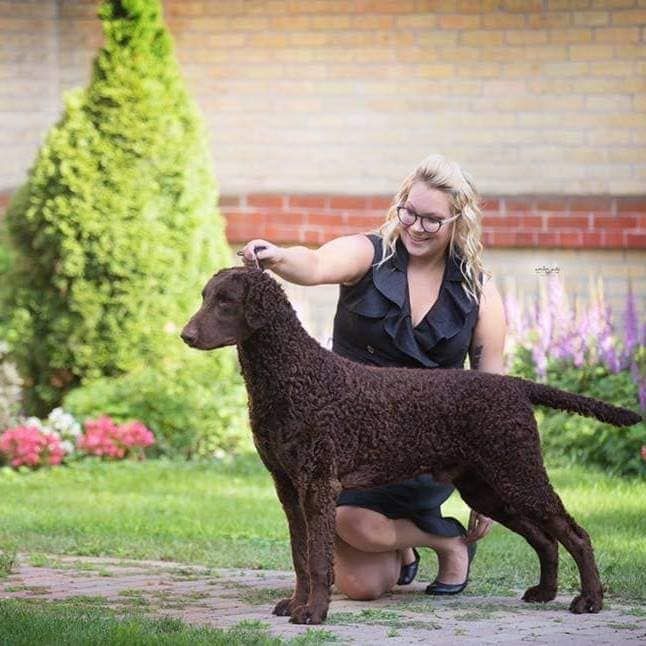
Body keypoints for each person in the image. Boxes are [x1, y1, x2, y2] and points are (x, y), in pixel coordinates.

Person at [240, 153, 507, 601]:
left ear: (459, 221)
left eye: (432, 219)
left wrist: (490, 477)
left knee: (360, 541)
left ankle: (444, 543)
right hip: (351, 448)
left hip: (425, 452)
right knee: (361, 583)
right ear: (399, 205)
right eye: (410, 212)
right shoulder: (369, 253)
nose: (417, 227)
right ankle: (435, 539)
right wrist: (279, 256)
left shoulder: (479, 290)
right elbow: (317, 264)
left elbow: (490, 387)